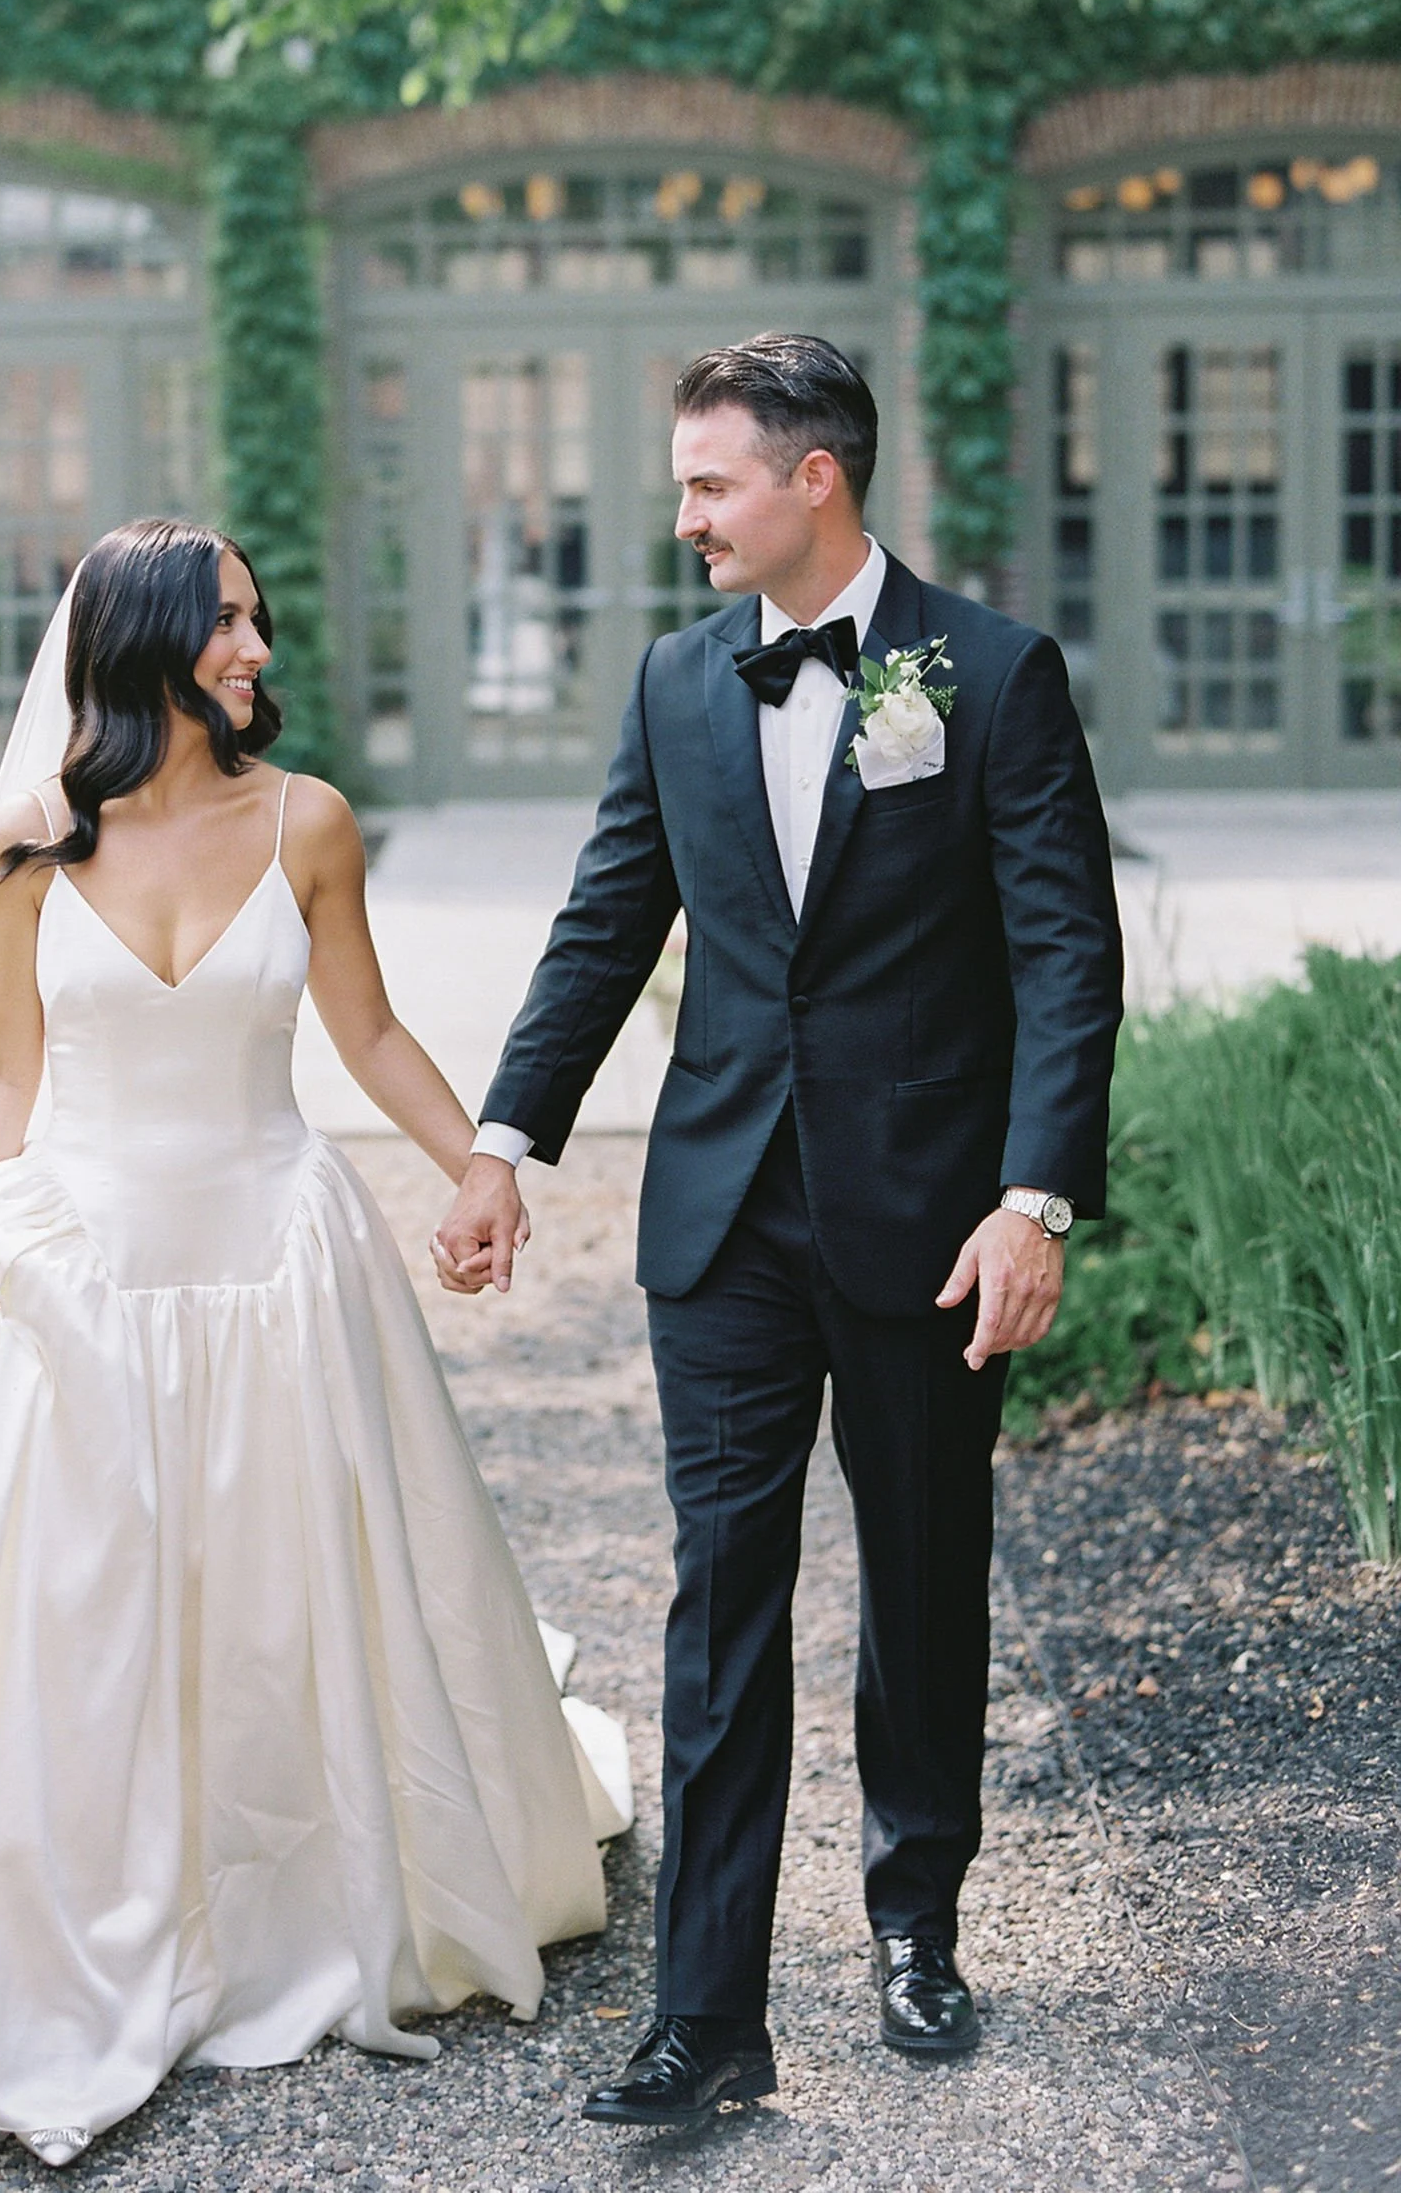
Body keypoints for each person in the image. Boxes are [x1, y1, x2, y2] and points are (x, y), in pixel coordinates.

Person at [0, 517, 629, 2167]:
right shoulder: (23, 846)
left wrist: (479, 1165)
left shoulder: (309, 824)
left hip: (280, 1263)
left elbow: (363, 1026)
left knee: (300, 1590)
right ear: (151, 639)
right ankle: (74, 1906)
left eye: (258, 623)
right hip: (83, 1274)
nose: (259, 651)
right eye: (232, 623)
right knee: (68, 1609)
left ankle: (317, 1886)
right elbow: (1, 1074)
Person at [435, 334, 1124, 2127]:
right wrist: (506, 1139)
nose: (686, 520)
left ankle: (916, 1919)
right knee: (720, 1598)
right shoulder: (677, 682)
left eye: (711, 483)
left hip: (930, 1223)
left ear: (818, 476)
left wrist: (1033, 1194)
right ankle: (709, 2012)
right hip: (724, 1213)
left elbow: (1066, 954)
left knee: (919, 1579)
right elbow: (606, 920)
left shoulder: (990, 673)